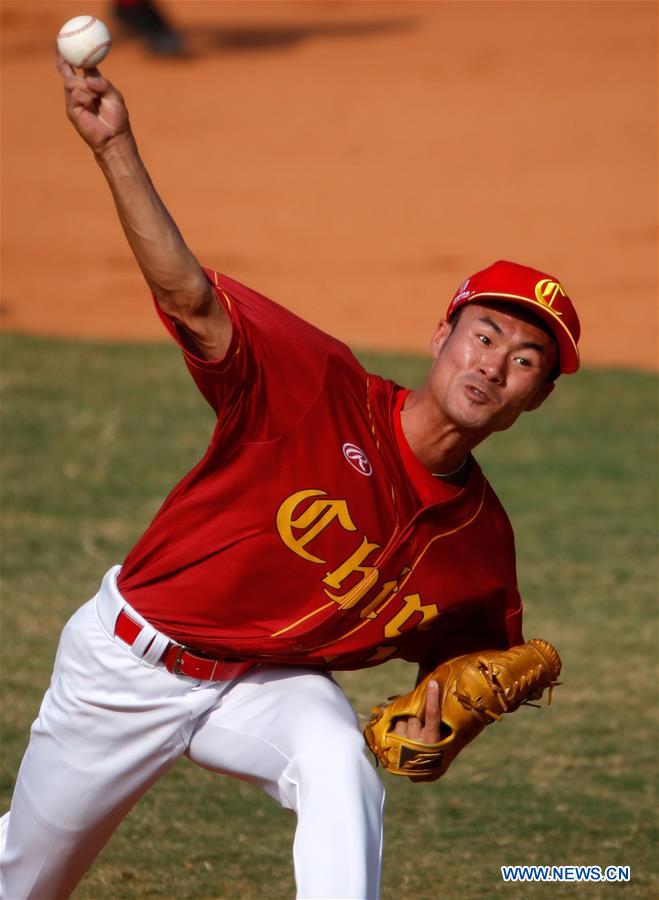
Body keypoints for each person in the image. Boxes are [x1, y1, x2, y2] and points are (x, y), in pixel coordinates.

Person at [0, 59, 581, 900]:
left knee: (337, 759)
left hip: (261, 685)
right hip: (128, 665)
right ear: (440, 337)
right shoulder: (316, 386)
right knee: (24, 883)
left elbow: (464, 670)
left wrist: (435, 723)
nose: (493, 365)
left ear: (537, 396)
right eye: (483, 335)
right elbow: (190, 298)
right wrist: (114, 145)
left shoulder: (480, 545)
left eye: (525, 360)